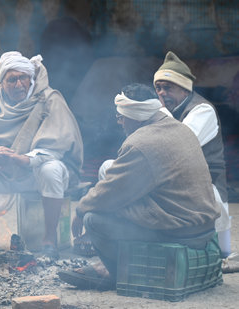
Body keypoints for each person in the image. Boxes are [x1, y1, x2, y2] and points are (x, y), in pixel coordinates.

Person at [59, 83, 220, 289]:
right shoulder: (181, 129)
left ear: (134, 116)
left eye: (121, 117)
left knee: (94, 218)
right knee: (117, 204)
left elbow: (109, 193)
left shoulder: (141, 143)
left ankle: (118, 273)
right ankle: (114, 264)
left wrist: (81, 210)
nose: (120, 122)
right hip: (203, 230)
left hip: (181, 233)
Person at [0, 51, 83, 258]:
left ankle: (49, 241)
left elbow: (58, 146)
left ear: (31, 79)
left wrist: (24, 159)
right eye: (12, 80)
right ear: (1, 83)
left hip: (36, 171)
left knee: (51, 169)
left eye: (23, 78)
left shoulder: (49, 99)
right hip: (3, 170)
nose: (19, 85)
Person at [154, 51, 231, 257]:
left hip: (206, 189)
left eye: (168, 87)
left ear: (184, 88)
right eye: (158, 88)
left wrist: (160, 113)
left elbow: (178, 146)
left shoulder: (202, 110)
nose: (161, 93)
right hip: (179, 186)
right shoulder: (169, 111)